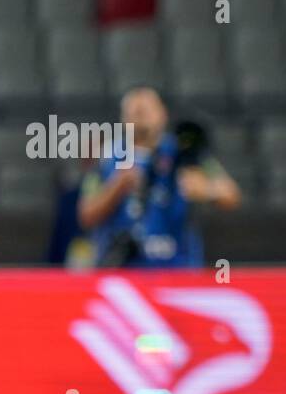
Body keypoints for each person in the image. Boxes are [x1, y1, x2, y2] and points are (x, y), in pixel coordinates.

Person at [77, 88, 239, 268]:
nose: (142, 117)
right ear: (123, 119)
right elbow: (86, 215)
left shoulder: (186, 153)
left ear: (163, 114)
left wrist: (206, 190)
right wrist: (117, 186)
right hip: (124, 269)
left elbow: (231, 194)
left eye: (147, 111)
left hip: (178, 268)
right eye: (136, 112)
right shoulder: (106, 158)